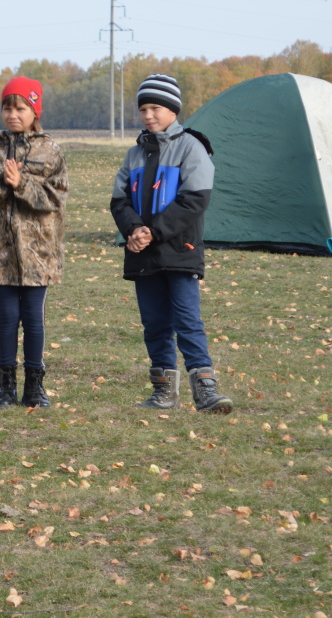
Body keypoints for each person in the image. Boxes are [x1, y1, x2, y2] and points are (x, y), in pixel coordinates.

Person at [109, 74, 232, 414]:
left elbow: (194, 199)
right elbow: (119, 201)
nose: (149, 115)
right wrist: (134, 229)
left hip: (180, 252)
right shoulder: (135, 154)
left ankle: (206, 389)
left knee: (187, 319)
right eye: (143, 109)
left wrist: (154, 231)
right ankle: (164, 392)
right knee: (154, 323)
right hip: (142, 255)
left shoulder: (192, 147)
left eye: (156, 108)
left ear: (173, 110)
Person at [0, 76, 68, 409]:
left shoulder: (50, 151)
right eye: (8, 108)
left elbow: (54, 198)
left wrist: (22, 182)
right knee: (7, 317)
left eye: (21, 107)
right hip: (1, 251)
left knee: (34, 318)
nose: (13, 114)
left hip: (40, 252)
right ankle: (6, 386)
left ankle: (35, 386)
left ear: (34, 110)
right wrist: (2, 182)